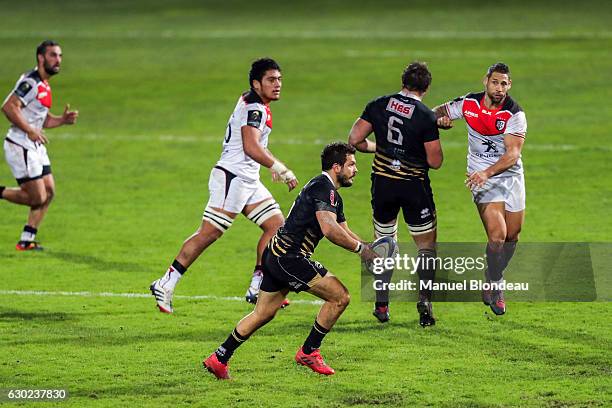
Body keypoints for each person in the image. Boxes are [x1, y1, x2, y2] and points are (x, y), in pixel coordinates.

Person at [203, 142, 377, 379]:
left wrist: (371, 249)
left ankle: (219, 357)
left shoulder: (329, 193)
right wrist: (361, 250)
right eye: (351, 164)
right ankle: (309, 352)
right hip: (289, 257)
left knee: (263, 313)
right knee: (340, 297)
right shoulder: (323, 188)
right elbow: (329, 229)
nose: (356, 170)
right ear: (337, 167)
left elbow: (343, 230)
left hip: (276, 255)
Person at [150, 58, 298, 313]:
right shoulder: (256, 109)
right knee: (209, 233)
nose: (277, 84)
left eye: (279, 79)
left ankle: (258, 285)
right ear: (256, 83)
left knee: (276, 226)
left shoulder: (255, 102)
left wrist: (270, 160)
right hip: (233, 178)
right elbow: (251, 147)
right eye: (271, 80)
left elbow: (255, 144)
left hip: (248, 179)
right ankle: (166, 283)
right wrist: (279, 168)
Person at [348, 62, 442, 327]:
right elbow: (435, 161)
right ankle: (424, 299)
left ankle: (381, 305)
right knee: (425, 246)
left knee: (385, 243)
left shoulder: (378, 104)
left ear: (403, 81)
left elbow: (354, 139)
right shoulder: (425, 115)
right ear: (426, 88)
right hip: (414, 187)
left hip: (383, 185)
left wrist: (382, 149)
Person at [433, 62, 527, 315]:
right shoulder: (468, 104)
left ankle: (492, 274)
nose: (499, 88)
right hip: (479, 177)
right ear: (485, 81)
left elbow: (513, 155)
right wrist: (440, 120)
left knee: (512, 238)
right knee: (497, 236)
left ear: (509, 85)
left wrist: (488, 172)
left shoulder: (514, 114)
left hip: (509, 177)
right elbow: (435, 112)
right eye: (495, 82)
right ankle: (496, 285)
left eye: (504, 83)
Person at [1, 40, 78, 251]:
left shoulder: (45, 85)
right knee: (37, 197)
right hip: (20, 145)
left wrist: (61, 120)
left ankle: (27, 239)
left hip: (34, 145)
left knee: (50, 191)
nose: (58, 60)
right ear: (41, 58)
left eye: (60, 56)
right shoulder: (31, 82)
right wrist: (29, 130)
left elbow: (41, 121)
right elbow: (8, 107)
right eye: (53, 55)